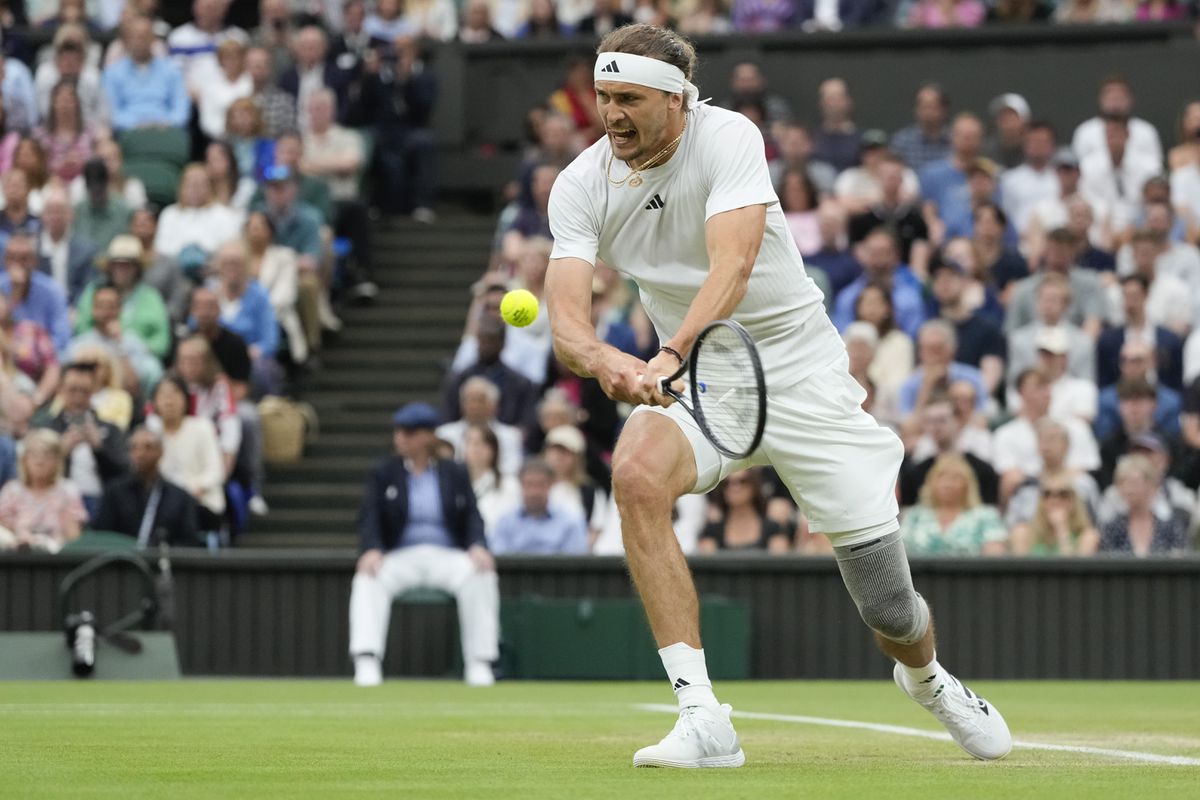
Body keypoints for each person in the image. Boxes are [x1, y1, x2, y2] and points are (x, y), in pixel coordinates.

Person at [544, 25, 1011, 768]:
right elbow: (566, 322)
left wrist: (665, 352)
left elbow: (732, 267)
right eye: (602, 97)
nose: (611, 114)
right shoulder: (580, 183)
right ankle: (703, 717)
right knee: (634, 475)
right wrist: (608, 359)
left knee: (892, 611)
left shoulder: (729, 138)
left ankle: (930, 681)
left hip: (801, 372)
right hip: (704, 384)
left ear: (676, 99)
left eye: (628, 97)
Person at [349, 402, 500, 687]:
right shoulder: (383, 472)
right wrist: (371, 548)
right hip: (399, 557)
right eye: (398, 431)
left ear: (428, 436)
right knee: (367, 577)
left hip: (447, 557)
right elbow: (369, 515)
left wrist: (478, 545)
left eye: (408, 432)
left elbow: (472, 516)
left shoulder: (454, 472)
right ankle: (366, 659)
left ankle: (479, 662)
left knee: (481, 573)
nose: (400, 437)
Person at [33, 361, 129, 516]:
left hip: (102, 501)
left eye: (84, 391)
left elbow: (124, 474)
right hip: (55, 502)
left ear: (93, 393)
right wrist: (60, 451)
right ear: (61, 390)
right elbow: (32, 472)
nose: (78, 396)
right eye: (73, 390)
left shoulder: (110, 429)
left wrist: (99, 448)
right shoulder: (46, 428)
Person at [92, 426, 200, 546]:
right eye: (134, 448)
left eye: (148, 447)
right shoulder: (114, 492)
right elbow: (101, 536)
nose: (140, 454)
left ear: (161, 452)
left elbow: (189, 540)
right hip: (122, 561)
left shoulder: (179, 497)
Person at [146, 374, 226, 530]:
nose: (169, 400)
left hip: (201, 502)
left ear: (186, 399)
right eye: (163, 395)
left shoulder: (202, 427)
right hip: (162, 506)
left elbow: (216, 471)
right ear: (154, 402)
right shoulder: (151, 433)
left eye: (175, 394)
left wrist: (196, 488)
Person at [74, 235, 170, 361]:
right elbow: (81, 327)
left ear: (137, 267)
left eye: (127, 265)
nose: (122, 269)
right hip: (95, 354)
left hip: (139, 358)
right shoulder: (93, 291)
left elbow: (162, 341)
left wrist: (133, 345)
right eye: (117, 264)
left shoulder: (151, 297)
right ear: (110, 267)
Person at [899, 453, 1008, 556]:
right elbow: (900, 554)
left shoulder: (986, 516)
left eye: (955, 478)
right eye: (942, 477)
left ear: (967, 485)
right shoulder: (914, 516)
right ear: (930, 483)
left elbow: (994, 556)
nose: (948, 484)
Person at [0, 428, 86, 552]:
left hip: (57, 561)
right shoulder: (11, 490)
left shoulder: (68, 491)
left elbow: (74, 538)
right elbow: (3, 533)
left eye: (46, 455)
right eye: (33, 454)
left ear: (57, 460)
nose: (39, 461)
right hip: (16, 559)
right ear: (24, 460)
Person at [68, 284, 162, 397]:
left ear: (120, 310)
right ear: (93, 310)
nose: (106, 311)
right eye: (101, 306)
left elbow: (133, 387)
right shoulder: (79, 344)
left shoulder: (133, 343)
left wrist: (119, 344)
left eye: (111, 306)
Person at [900, 398, 998, 506]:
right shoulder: (915, 473)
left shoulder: (982, 470)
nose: (935, 426)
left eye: (941, 420)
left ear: (958, 421)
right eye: (930, 421)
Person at [441, 317, 536, 427]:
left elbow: (526, 422)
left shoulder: (520, 383)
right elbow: (448, 418)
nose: (485, 346)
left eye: (491, 341)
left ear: (502, 344)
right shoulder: (458, 380)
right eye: (482, 341)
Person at [102, 15, 190, 131]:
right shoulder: (112, 73)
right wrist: (136, 125)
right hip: (128, 132)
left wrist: (167, 123)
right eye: (134, 37)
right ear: (126, 41)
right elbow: (111, 112)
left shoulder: (171, 70)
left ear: (153, 39)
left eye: (144, 36)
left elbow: (181, 108)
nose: (139, 42)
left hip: (166, 130)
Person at [490, 456, 589, 554]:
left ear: (551, 485)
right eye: (529, 484)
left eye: (540, 484)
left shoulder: (570, 522)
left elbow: (575, 563)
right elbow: (499, 559)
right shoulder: (505, 522)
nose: (534, 492)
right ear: (520, 485)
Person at [1100, 454, 1190, 555]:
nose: (1128, 489)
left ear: (1151, 485)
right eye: (1122, 482)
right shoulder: (1112, 528)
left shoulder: (1171, 526)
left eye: (1133, 482)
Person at [436, 376, 524, 478]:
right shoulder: (443, 434)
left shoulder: (511, 436)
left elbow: (511, 471)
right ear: (461, 404)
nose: (475, 406)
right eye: (471, 400)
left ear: (494, 405)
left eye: (481, 400)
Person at [0, 231, 71, 354]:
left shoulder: (52, 290)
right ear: (4, 261)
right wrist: (15, 295)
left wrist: (35, 352)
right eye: (12, 258)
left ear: (34, 261)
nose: (17, 264)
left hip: (43, 357)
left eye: (24, 259)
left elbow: (62, 337)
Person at [697, 468, 790, 552]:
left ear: (754, 485)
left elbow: (779, 565)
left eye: (742, 481)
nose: (734, 487)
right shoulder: (711, 531)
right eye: (727, 483)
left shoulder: (773, 528)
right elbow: (708, 566)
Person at [542, 424, 607, 542]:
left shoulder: (590, 490)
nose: (557, 457)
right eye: (554, 451)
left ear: (578, 458)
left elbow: (595, 529)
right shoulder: (532, 486)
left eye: (565, 452)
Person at [1009, 473, 1099, 556]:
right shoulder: (1023, 533)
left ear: (1073, 501)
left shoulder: (1088, 536)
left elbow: (1074, 571)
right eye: (1047, 494)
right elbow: (1021, 571)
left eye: (1063, 494)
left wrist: (1062, 530)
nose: (1054, 500)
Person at [36, 184, 95, 306]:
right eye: (50, 211)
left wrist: (78, 310)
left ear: (71, 215)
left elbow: (88, 288)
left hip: (73, 308)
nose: (55, 217)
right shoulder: (32, 249)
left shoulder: (86, 251)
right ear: (42, 215)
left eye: (60, 211)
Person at [462, 422, 518, 537]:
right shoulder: (454, 485)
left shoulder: (509, 485)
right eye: (471, 443)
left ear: (494, 449)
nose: (477, 448)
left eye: (483, 443)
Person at [889, 83, 950, 173]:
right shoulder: (902, 141)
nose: (927, 112)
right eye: (923, 107)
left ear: (943, 110)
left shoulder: (955, 140)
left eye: (931, 107)